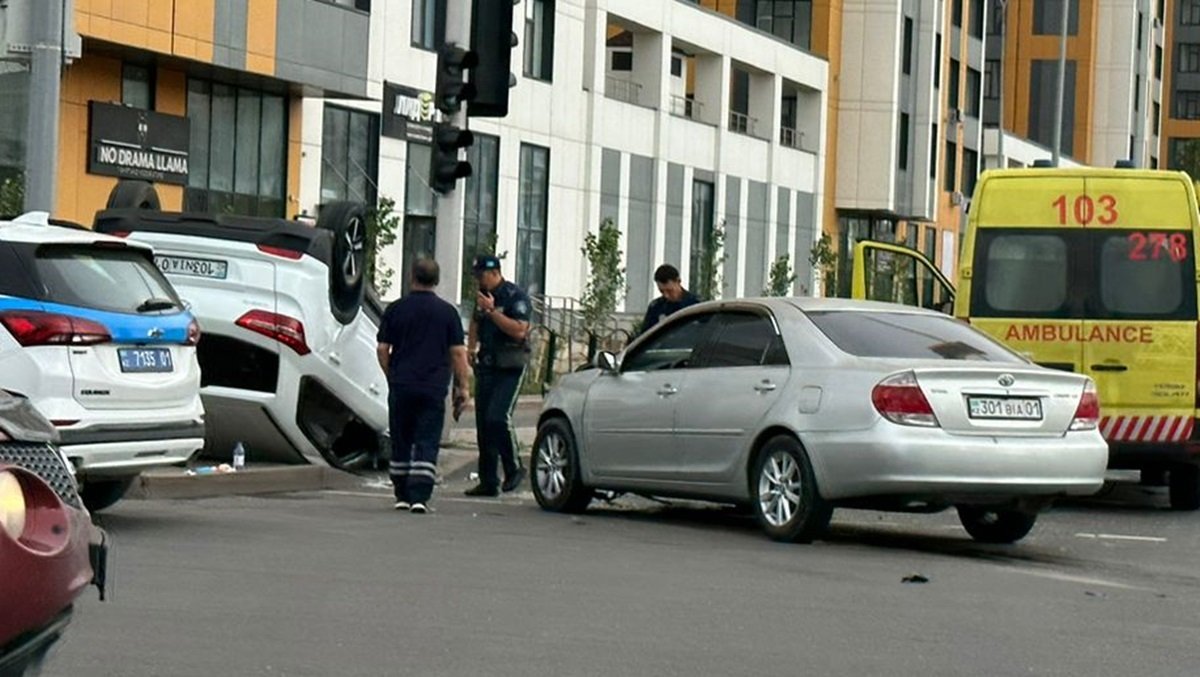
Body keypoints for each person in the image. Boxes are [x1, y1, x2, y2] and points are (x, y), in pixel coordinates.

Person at [376, 258, 470, 514]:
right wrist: (463, 387)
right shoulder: (448, 313)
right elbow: (458, 354)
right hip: (433, 386)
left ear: (412, 277)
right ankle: (420, 496)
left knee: (401, 437)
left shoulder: (395, 309)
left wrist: (391, 375)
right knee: (426, 439)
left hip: (402, 384)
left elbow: (383, 349)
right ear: (436, 280)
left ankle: (402, 494)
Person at [465, 254, 531, 497]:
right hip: (487, 364)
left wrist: (492, 312)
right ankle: (488, 480)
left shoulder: (515, 296)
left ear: (494, 272)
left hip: (510, 364)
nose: (479, 281)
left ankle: (514, 468)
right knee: (483, 424)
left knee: (498, 417)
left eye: (481, 275)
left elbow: (519, 331)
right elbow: (474, 322)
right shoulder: (482, 297)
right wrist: (471, 348)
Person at [640, 263, 700, 334]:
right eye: (662, 291)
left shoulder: (696, 305)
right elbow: (646, 335)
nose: (666, 295)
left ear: (678, 281)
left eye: (670, 291)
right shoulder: (656, 307)